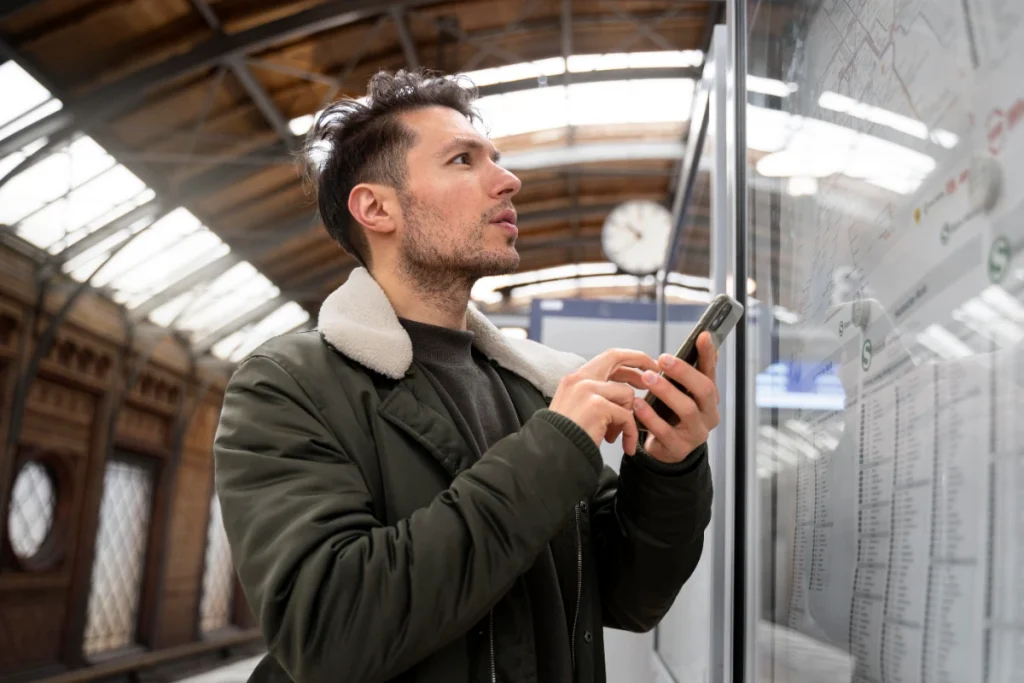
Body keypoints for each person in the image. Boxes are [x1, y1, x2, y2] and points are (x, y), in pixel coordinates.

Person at [213, 69, 716, 683]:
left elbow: (628, 596)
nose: (508, 180)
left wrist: (670, 467)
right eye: (462, 160)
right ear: (376, 207)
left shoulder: (532, 387)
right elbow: (329, 631)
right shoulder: (287, 385)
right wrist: (555, 447)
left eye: (496, 160)